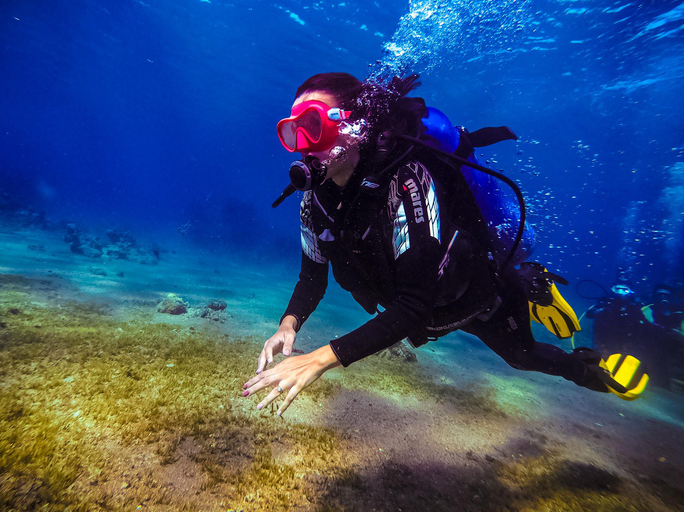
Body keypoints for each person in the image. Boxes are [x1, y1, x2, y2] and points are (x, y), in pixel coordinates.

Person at [242, 72, 644, 416]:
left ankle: (588, 365)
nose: (304, 145)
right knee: (511, 351)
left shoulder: (408, 180)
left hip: (475, 300)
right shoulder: (315, 201)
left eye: (312, 126)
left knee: (522, 356)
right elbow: (312, 279)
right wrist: (288, 325)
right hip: (424, 310)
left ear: (354, 125)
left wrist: (318, 359)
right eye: (293, 133)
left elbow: (412, 307)